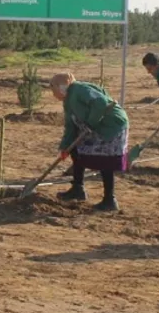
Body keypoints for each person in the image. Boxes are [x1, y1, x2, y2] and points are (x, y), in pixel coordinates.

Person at [49, 73, 130, 211]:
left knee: (106, 160)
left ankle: (110, 200)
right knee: (77, 150)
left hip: (111, 126)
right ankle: (78, 188)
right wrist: (65, 147)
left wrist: (90, 122)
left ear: (61, 87)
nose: (53, 93)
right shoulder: (68, 101)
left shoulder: (79, 89)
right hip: (95, 128)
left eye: (53, 89)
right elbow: (70, 126)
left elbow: (100, 103)